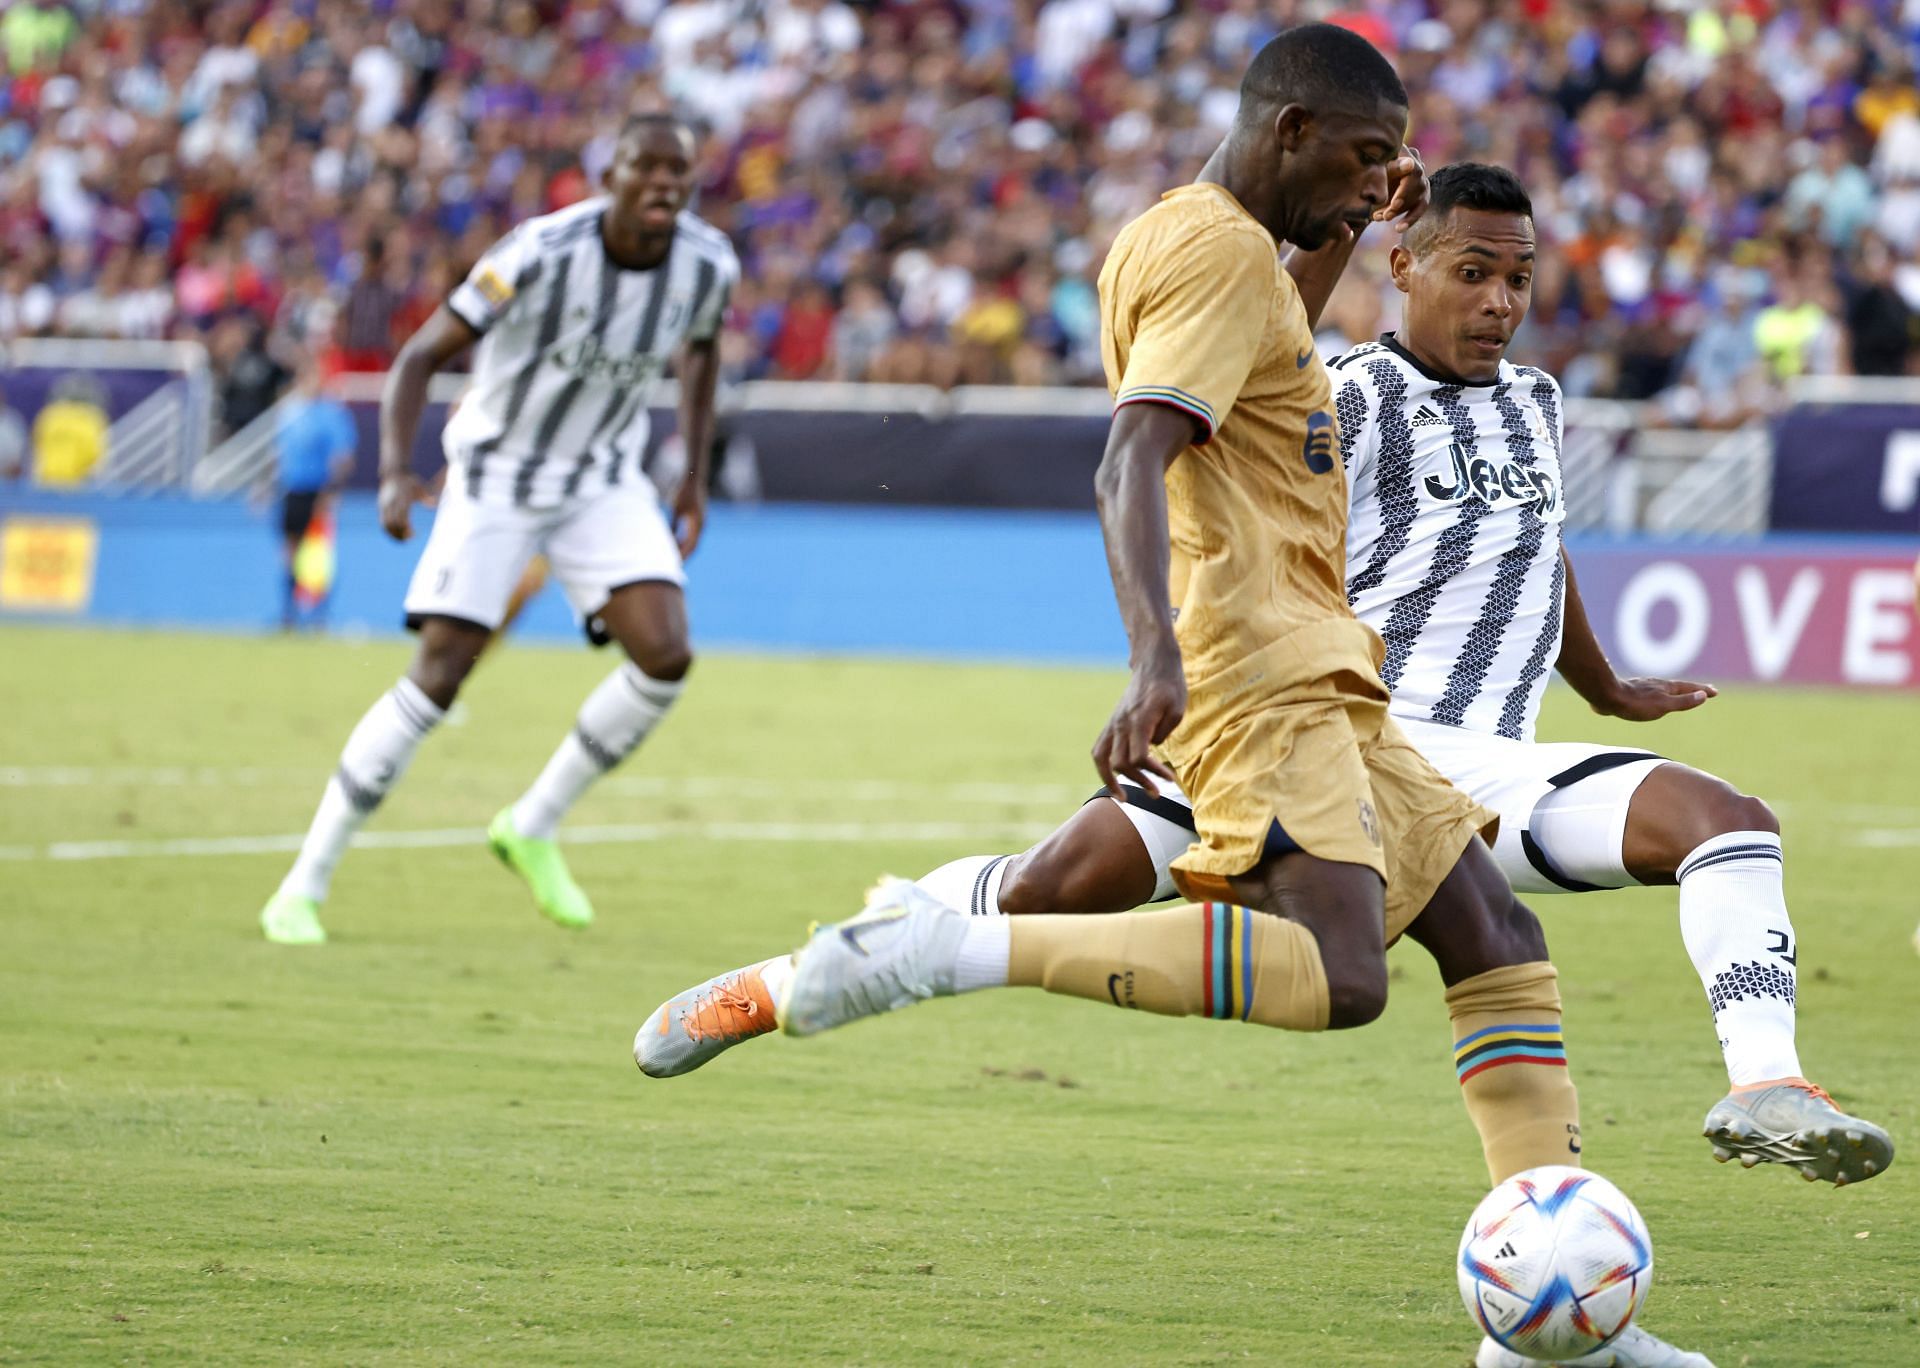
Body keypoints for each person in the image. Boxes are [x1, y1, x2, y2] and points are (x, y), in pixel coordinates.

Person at [637, 37, 1710, 1368]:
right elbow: (1132, 456)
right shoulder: (1208, 254)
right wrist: (1157, 654)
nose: (1388, 187)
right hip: (1257, 663)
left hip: (1323, 664)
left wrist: (1341, 234)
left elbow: (1270, 346)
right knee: (1337, 977)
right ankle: (941, 949)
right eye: (1369, 159)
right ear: (1294, 126)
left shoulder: (1230, 253)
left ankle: (1573, 1342)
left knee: (1494, 940)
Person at [258, 112, 740, 945]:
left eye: (679, 172)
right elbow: (419, 355)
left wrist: (692, 476)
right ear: (611, 177)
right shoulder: (539, 252)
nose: (665, 183)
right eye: (647, 168)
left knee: (666, 657)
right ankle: (303, 884)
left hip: (602, 479)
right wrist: (395, 472)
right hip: (497, 477)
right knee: (441, 673)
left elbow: (700, 357)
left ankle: (533, 823)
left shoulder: (708, 265)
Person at [272, 356, 356, 629]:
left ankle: (319, 616)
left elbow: (343, 457)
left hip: (317, 491)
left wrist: (331, 491)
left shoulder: (332, 413)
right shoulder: (289, 411)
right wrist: (268, 486)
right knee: (289, 553)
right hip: (292, 490)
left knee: (318, 556)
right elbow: (280, 455)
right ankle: (289, 614)